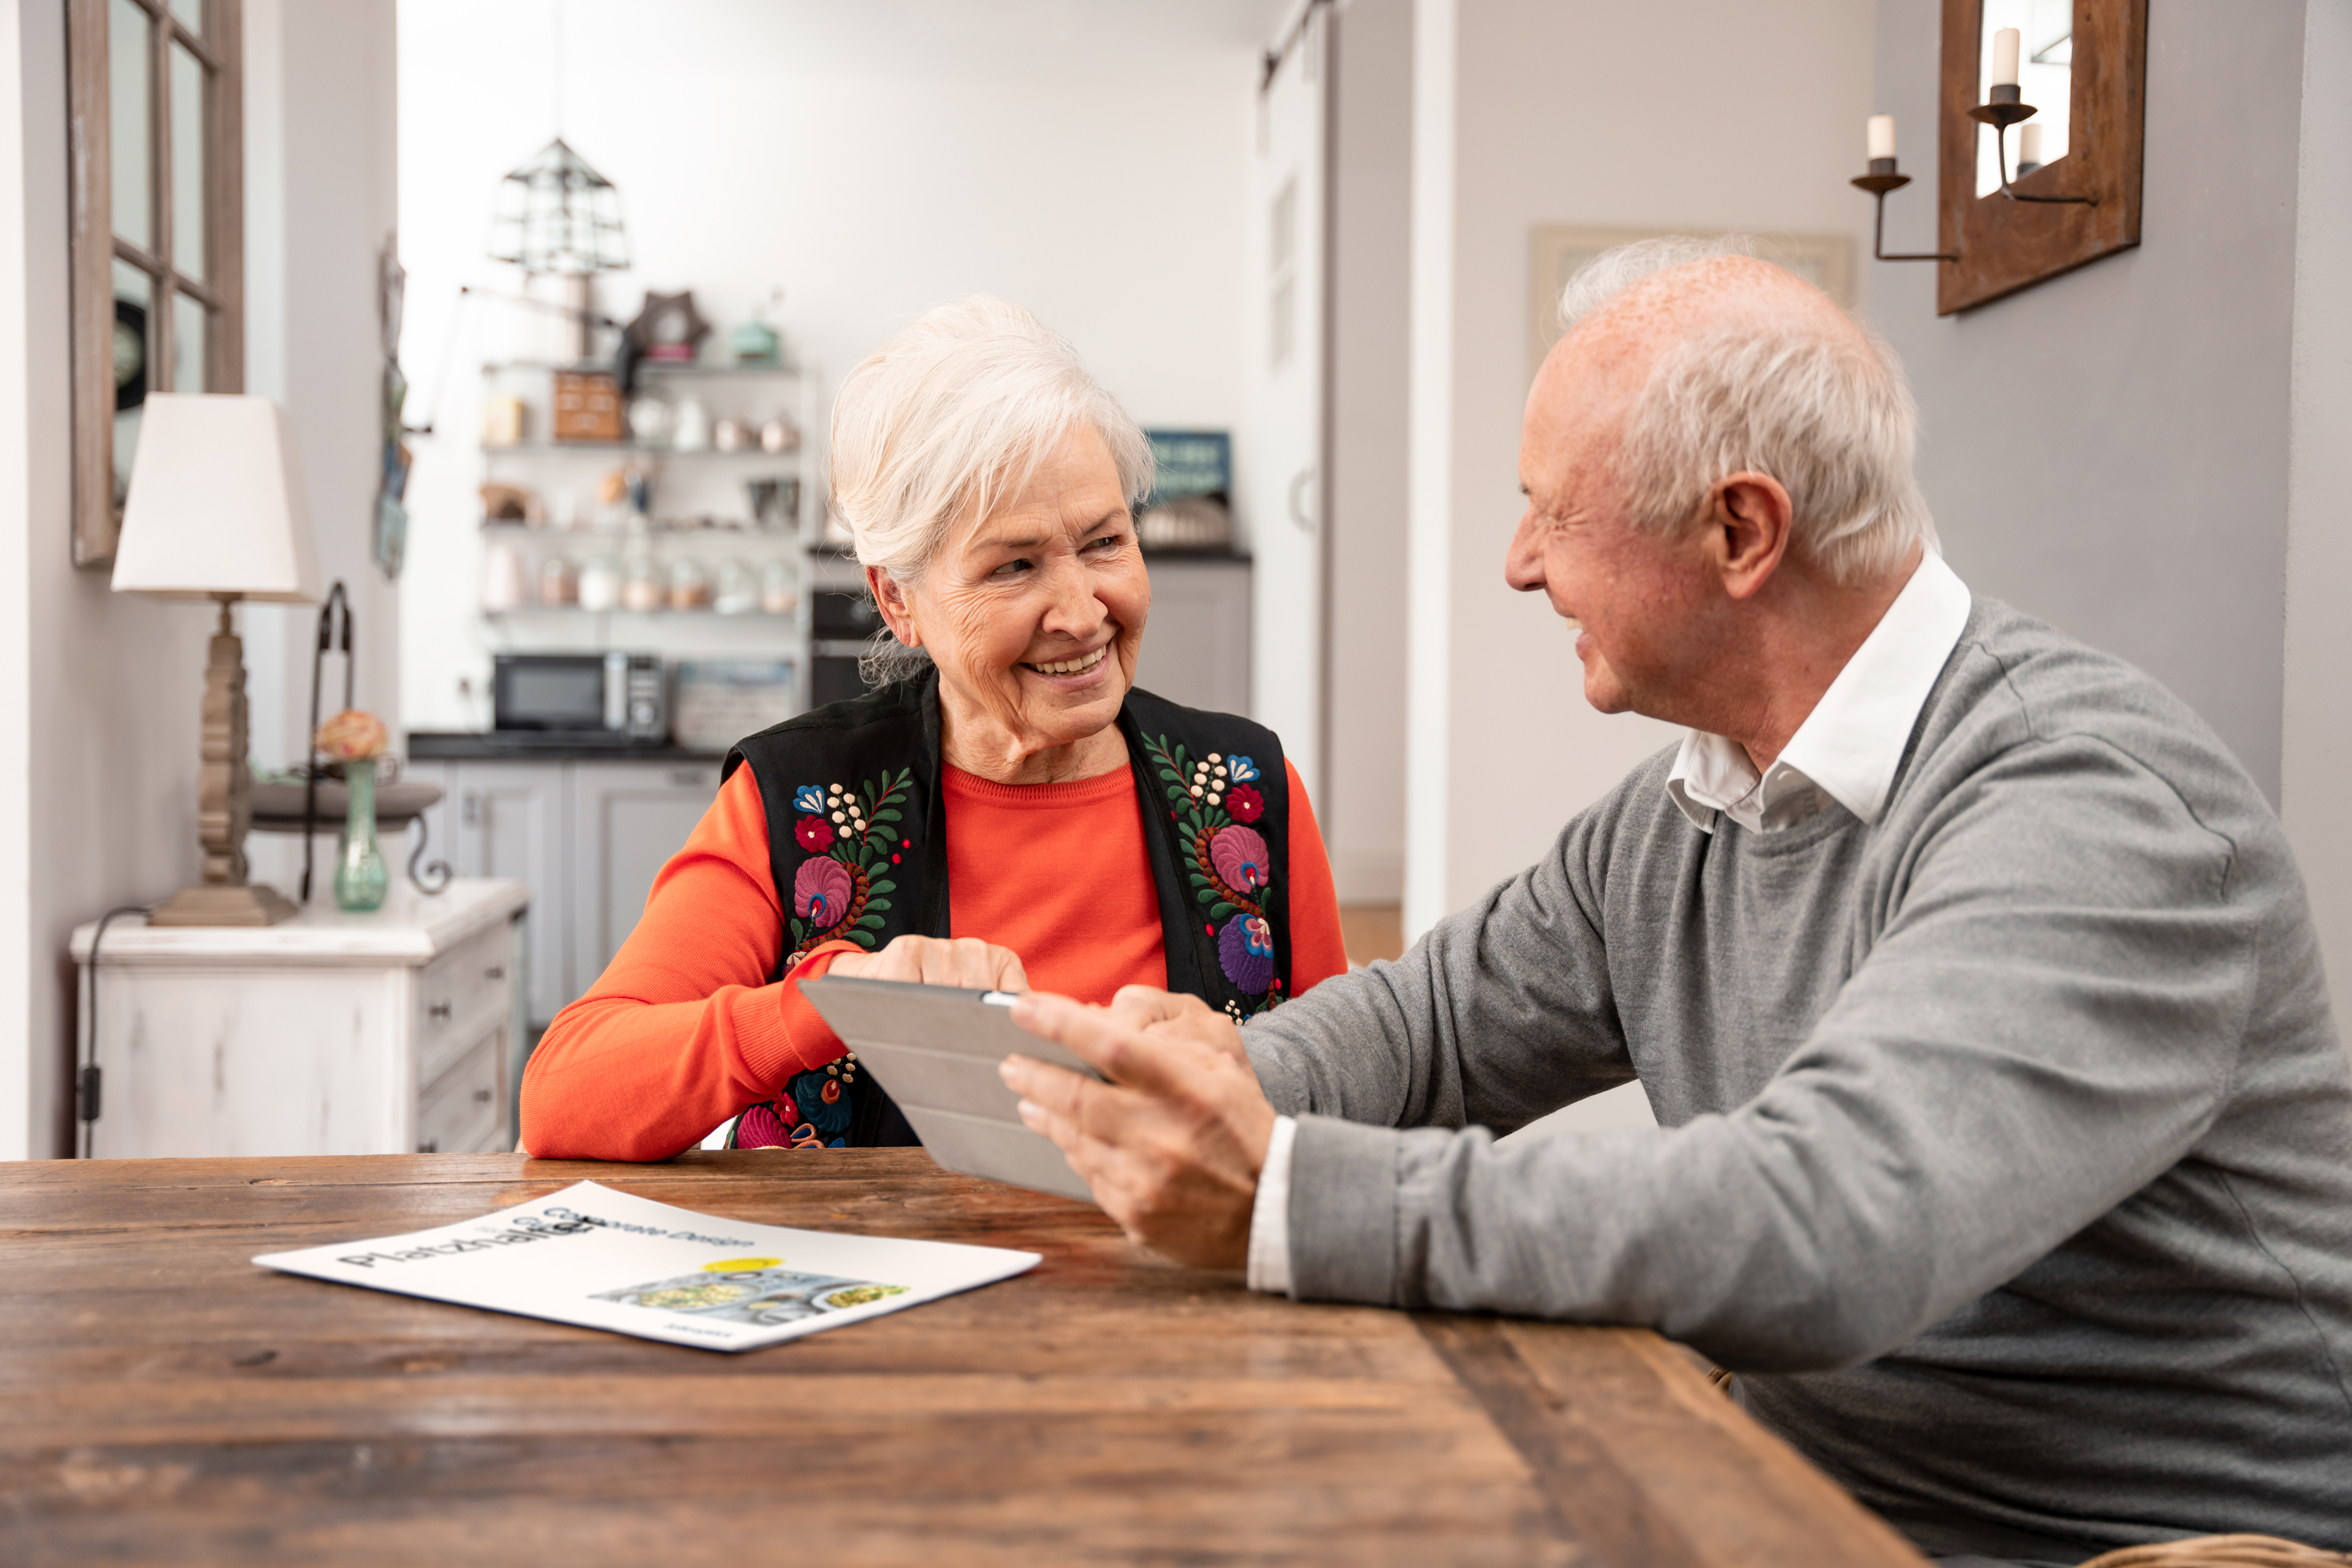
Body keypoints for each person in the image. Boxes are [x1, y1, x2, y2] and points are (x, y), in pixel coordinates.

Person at [998, 240, 2352, 1563]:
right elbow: (1429, 1031)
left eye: (1550, 510)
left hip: (2135, 1543)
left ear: (1738, 530)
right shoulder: (1690, 805)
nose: (1517, 564)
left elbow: (1829, 1222)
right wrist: (1209, 1075)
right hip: (1785, 1483)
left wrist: (1287, 1192)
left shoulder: (2091, 805)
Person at [522, 297, 1347, 1161]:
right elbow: (567, 1093)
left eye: (1105, 542)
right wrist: (838, 996)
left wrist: (1249, 1075)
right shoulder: (795, 797)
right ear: (898, 600)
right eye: (1014, 566)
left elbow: (1354, 1106)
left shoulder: (1246, 792)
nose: (1081, 611)